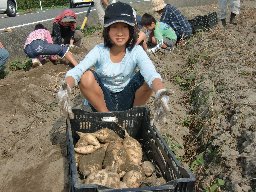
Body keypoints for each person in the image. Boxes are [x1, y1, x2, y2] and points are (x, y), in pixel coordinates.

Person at [57, 2, 170, 122]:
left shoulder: (136, 51)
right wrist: (66, 87)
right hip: (104, 99)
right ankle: (107, 117)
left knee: (147, 79)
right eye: (114, 26)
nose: (120, 33)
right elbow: (78, 70)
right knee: (85, 76)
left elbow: (151, 73)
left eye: (125, 27)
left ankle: (133, 116)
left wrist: (160, 91)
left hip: (128, 98)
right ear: (107, 29)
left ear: (131, 29)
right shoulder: (99, 50)